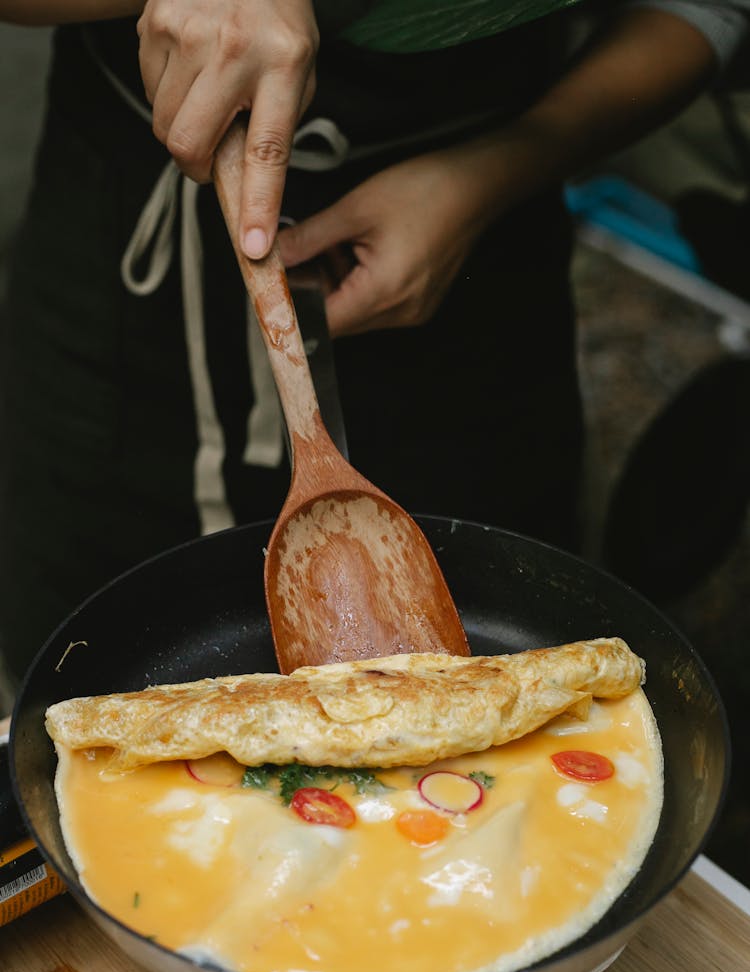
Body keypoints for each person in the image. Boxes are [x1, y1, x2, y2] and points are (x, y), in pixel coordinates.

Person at [0, 0, 746, 685]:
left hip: (475, 262)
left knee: (504, 674)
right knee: (84, 677)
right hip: (123, 274)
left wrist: (491, 173)